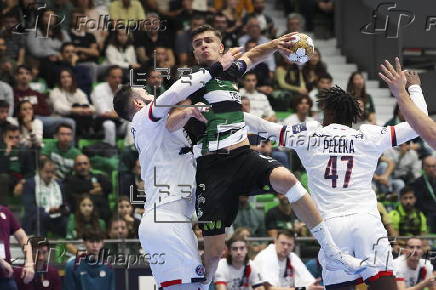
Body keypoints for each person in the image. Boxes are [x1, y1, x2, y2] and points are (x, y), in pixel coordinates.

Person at [169, 25, 367, 285]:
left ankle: (333, 251)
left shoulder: (230, 72)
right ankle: (204, 284)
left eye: (208, 41)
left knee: (287, 178)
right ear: (194, 52)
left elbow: (251, 57)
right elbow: (169, 120)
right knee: (215, 252)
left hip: (241, 156)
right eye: (197, 43)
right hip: (211, 167)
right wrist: (186, 113)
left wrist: (276, 43)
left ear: (220, 48)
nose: (203, 45)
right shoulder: (192, 79)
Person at [246, 58, 429, 289]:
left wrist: (227, 113)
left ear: (328, 111)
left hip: (331, 227)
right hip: (366, 221)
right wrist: (413, 88)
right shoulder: (370, 135)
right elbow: (418, 123)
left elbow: (264, 128)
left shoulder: (310, 135)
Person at [112, 48, 241, 289]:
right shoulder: (143, 120)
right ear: (139, 103)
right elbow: (175, 92)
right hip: (166, 221)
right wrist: (215, 68)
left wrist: (192, 111)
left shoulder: (156, 129)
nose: (154, 95)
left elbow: (178, 117)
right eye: (148, 94)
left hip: (173, 221)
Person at [381, 69, 436, 149]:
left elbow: (421, 127)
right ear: (398, 111)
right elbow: (421, 124)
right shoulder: (390, 124)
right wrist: (413, 87)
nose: (405, 113)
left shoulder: (367, 134)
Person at [253, 230, 322, 289]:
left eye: (289, 245)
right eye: (282, 243)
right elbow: (270, 288)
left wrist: (313, 285)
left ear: (293, 246)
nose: (285, 247)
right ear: (275, 241)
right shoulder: (266, 256)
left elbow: (306, 279)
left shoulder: (292, 257)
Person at [21, 159, 69, 237]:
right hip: (38, 216)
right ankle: (39, 245)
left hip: (57, 216)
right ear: (39, 171)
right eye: (47, 172)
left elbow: (65, 202)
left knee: (65, 220)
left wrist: (65, 208)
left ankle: (62, 244)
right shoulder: (30, 184)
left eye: (52, 172)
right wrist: (48, 210)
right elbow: (29, 207)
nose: (50, 175)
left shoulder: (59, 184)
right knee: (41, 217)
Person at [63, 155, 112, 220]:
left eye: (85, 164)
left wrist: (99, 189)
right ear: (74, 167)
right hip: (81, 211)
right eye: (79, 164)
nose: (83, 167)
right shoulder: (70, 180)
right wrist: (91, 191)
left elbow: (109, 188)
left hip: (102, 211)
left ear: (90, 165)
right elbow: (71, 195)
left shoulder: (99, 177)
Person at [49, 68, 94, 137]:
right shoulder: (55, 91)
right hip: (60, 117)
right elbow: (59, 108)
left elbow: (87, 105)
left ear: (72, 78)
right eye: (63, 77)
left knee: (83, 113)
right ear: (59, 80)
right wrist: (76, 110)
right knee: (78, 112)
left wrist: (84, 109)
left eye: (68, 76)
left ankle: (86, 136)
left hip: (78, 117)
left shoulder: (78, 91)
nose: (66, 79)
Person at [0, 204, 34, 289]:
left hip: (6, 276)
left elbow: (23, 238)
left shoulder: (4, 211)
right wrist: (1, 262)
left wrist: (29, 263)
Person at [90, 65, 125, 146]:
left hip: (120, 121)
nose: (117, 80)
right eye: (114, 77)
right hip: (101, 122)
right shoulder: (99, 89)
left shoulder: (124, 90)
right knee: (109, 125)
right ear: (107, 78)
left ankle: (130, 148)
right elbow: (104, 113)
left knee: (133, 123)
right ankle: (111, 149)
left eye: (119, 77)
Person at [412, 156, 436, 233]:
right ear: (423, 167)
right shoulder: (417, 183)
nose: (431, 169)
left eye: (434, 166)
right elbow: (420, 204)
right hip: (427, 213)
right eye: (429, 166)